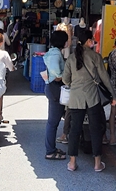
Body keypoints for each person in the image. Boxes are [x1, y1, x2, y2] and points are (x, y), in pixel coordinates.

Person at [62, 29, 116, 173]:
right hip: (92, 98)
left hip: (76, 99)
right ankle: (97, 163)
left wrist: (75, 83)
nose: (93, 42)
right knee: (95, 129)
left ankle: (72, 163)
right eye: (92, 39)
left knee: (74, 130)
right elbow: (104, 77)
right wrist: (113, 95)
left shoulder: (72, 58)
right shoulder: (95, 56)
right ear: (88, 41)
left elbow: (65, 79)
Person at [43, 30, 68, 160]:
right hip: (55, 89)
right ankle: (50, 151)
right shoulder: (55, 54)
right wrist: (63, 76)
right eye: (66, 40)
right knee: (53, 122)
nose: (67, 42)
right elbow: (57, 75)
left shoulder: (54, 52)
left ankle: (51, 148)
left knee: (53, 121)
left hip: (52, 88)